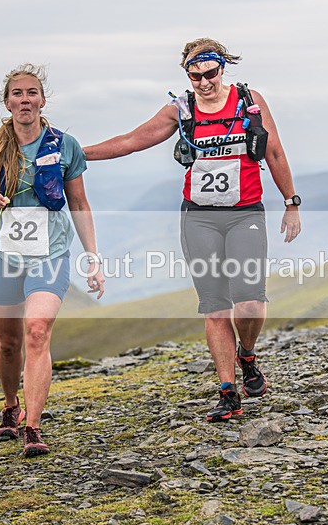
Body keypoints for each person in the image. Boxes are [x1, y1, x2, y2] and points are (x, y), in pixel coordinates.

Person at [83, 38, 301, 422]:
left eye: (210, 73)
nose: (203, 82)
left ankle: (247, 355)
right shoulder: (181, 109)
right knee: (215, 306)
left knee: (249, 301)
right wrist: (78, 152)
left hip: (244, 212)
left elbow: (275, 152)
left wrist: (291, 203)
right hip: (198, 216)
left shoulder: (249, 100)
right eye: (194, 75)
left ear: (222, 68)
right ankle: (228, 391)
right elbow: (133, 140)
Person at [0, 63, 105, 457]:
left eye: (32, 92)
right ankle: (10, 405)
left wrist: (93, 257)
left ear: (42, 99)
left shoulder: (63, 145)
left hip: (50, 252)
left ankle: (33, 429)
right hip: (2, 253)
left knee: (37, 331)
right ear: (7, 102)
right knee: (8, 343)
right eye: (17, 94)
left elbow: (79, 202)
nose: (25, 100)